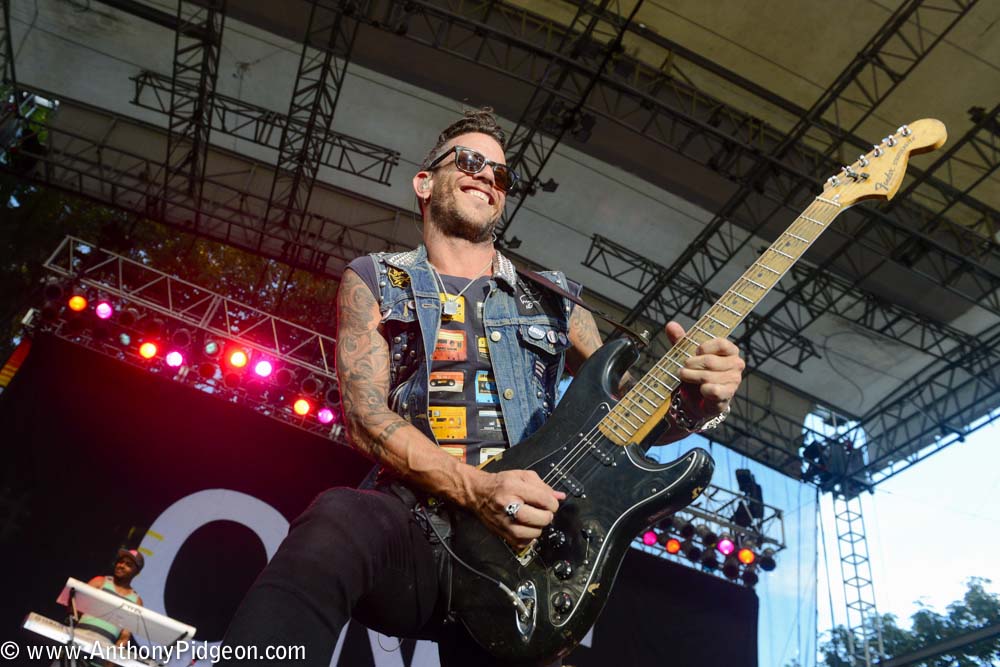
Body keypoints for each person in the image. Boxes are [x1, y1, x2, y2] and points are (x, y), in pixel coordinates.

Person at [220, 108, 745, 666]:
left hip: (527, 550)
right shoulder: (376, 278)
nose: (488, 178)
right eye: (471, 162)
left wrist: (695, 405)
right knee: (334, 524)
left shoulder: (558, 299)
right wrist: (476, 491)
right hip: (415, 523)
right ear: (425, 182)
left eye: (502, 174)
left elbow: (632, 420)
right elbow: (367, 419)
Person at [71, 548, 145, 647]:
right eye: (121, 562)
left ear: (136, 572)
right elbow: (74, 610)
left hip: (104, 649)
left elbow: (124, 636)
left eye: (128, 565)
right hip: (78, 637)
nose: (122, 566)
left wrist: (110, 661)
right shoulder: (99, 581)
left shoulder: (136, 601)